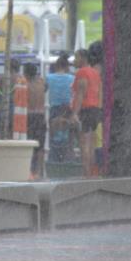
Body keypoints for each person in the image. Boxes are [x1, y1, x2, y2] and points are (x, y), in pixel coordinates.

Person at [71, 49, 102, 178]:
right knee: (91, 144)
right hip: (94, 110)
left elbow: (80, 93)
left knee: (84, 144)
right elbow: (99, 93)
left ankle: (86, 175)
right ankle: (92, 174)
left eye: (76, 57)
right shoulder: (95, 73)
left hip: (85, 109)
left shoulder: (82, 72)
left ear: (83, 58)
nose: (74, 60)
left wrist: (75, 113)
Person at [46, 54, 75, 163]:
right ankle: (67, 161)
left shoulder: (49, 78)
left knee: (53, 137)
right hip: (68, 110)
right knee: (68, 138)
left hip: (54, 109)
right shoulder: (72, 78)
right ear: (67, 66)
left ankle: (54, 161)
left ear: (56, 66)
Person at [24, 63, 47, 178]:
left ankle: (28, 170)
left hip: (30, 116)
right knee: (40, 146)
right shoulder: (42, 83)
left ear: (26, 74)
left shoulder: (25, 85)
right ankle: (39, 171)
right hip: (41, 116)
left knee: (28, 144)